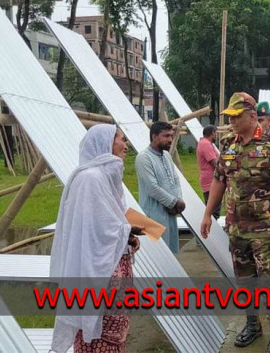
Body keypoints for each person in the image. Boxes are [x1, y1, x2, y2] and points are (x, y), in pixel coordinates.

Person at [200, 92, 270, 352]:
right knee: (245, 280)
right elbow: (220, 179)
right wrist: (208, 213)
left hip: (268, 229)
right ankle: (253, 324)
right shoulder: (228, 142)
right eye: (229, 117)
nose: (231, 121)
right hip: (237, 228)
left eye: (236, 116)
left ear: (253, 116)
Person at [50, 124, 140, 353]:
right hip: (101, 277)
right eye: (121, 139)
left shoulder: (105, 177)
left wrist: (127, 234)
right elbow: (91, 233)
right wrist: (125, 230)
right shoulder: (90, 179)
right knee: (99, 338)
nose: (126, 144)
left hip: (113, 269)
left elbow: (107, 223)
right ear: (105, 143)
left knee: (115, 338)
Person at [136, 121, 184, 253]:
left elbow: (176, 180)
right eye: (166, 136)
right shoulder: (144, 158)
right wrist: (174, 202)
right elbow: (152, 188)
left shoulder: (167, 155)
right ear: (154, 136)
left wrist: (178, 201)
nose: (170, 139)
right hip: (154, 215)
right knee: (158, 255)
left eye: (171, 136)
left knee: (171, 253)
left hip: (170, 214)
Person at [197, 125, 220, 220]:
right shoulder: (206, 144)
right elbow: (214, 163)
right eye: (216, 133)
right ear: (213, 133)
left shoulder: (205, 143)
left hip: (209, 179)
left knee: (211, 208)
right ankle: (210, 233)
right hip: (210, 180)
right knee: (213, 211)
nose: (217, 136)